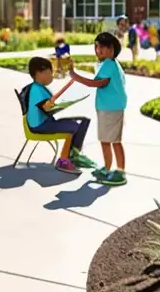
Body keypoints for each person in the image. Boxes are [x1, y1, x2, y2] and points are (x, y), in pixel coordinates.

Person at [69, 32, 128, 186]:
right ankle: (108, 168)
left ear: (112, 49)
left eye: (102, 47)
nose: (98, 50)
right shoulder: (110, 64)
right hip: (109, 108)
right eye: (96, 47)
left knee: (112, 141)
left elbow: (96, 83)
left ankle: (119, 172)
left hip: (111, 109)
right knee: (107, 140)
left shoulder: (109, 64)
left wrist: (74, 75)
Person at [22, 57, 94, 174]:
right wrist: (55, 105)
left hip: (45, 122)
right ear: (40, 73)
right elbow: (45, 107)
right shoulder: (36, 90)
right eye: (50, 73)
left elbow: (46, 106)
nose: (52, 76)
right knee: (73, 127)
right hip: (40, 125)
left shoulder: (39, 88)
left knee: (83, 121)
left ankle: (74, 154)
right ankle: (64, 160)